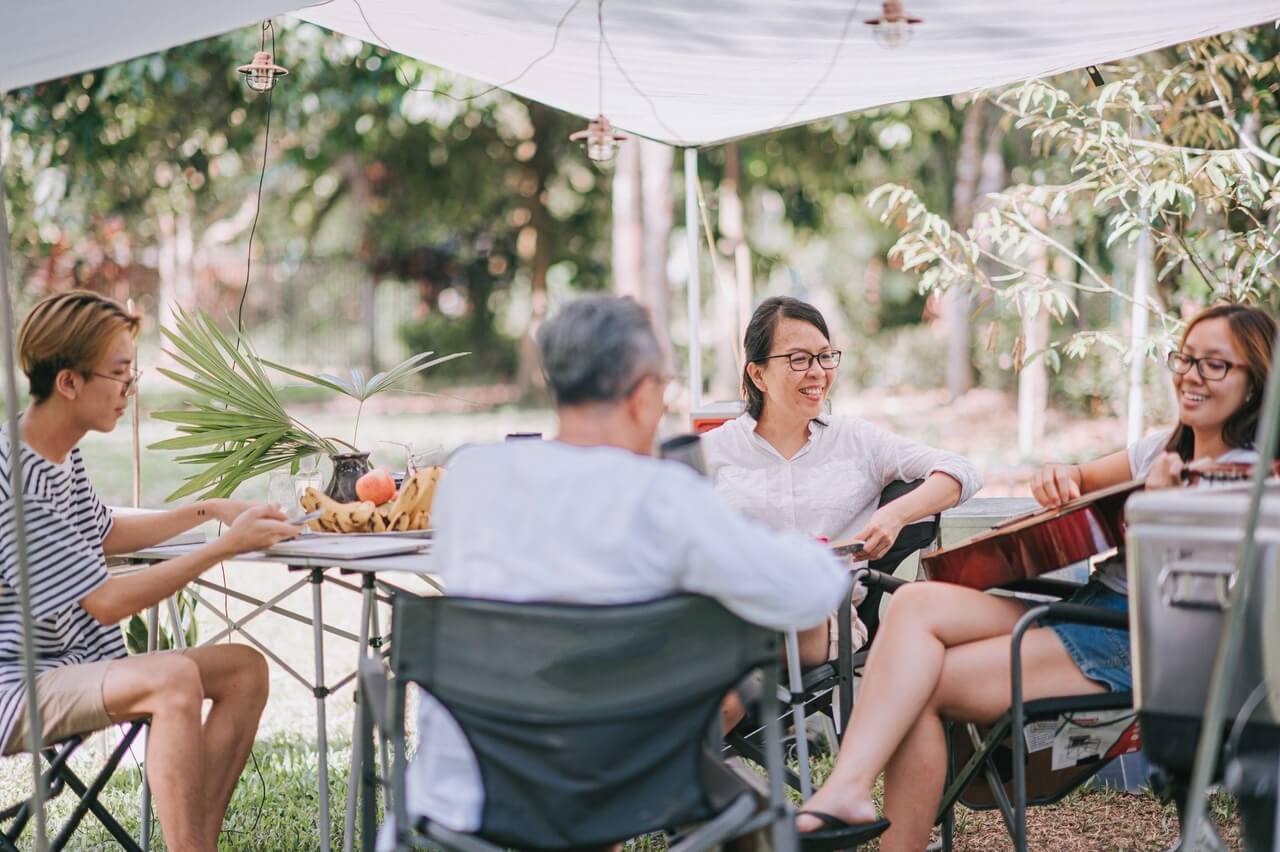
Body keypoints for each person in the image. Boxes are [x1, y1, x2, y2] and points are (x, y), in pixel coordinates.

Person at [794, 303, 1275, 851]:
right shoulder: (1160, 450)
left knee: (919, 686)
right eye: (1185, 358)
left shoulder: (1258, 479)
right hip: (1092, 605)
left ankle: (855, 806)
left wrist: (1166, 512)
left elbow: (1216, 605)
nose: (1190, 375)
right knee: (913, 603)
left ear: (1257, 382)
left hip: (1147, 641)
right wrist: (1059, 479)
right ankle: (847, 790)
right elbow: (1082, 477)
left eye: (1215, 365)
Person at [394, 295, 851, 838]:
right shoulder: (663, 496)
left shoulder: (469, 477)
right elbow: (814, 590)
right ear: (641, 397)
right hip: (623, 784)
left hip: (467, 790)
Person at [1, 290, 302, 852]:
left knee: (244, 671)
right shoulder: (16, 484)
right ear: (68, 382)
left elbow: (105, 530)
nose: (129, 391)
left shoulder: (57, 450)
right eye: (119, 375)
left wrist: (213, 509)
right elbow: (107, 603)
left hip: (78, 663)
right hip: (18, 685)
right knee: (172, 678)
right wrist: (222, 547)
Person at [701, 296, 980, 664]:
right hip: (733, 612)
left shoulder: (857, 441)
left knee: (719, 668)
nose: (817, 371)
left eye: (825, 356)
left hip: (821, 621)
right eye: (798, 359)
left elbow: (961, 471)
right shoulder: (712, 450)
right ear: (757, 374)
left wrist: (894, 516)